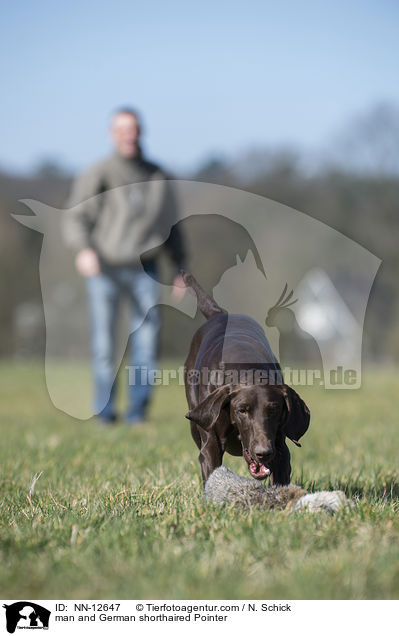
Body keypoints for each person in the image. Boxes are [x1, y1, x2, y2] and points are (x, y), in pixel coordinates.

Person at [63, 107, 186, 425]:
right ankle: (105, 414)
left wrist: (180, 268)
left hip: (147, 269)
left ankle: (137, 414)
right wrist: (84, 249)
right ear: (111, 134)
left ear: (141, 132)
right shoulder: (98, 173)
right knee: (105, 345)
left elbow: (173, 226)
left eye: (133, 129)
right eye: (121, 129)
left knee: (146, 344)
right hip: (104, 268)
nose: (128, 135)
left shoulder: (158, 175)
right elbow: (76, 217)